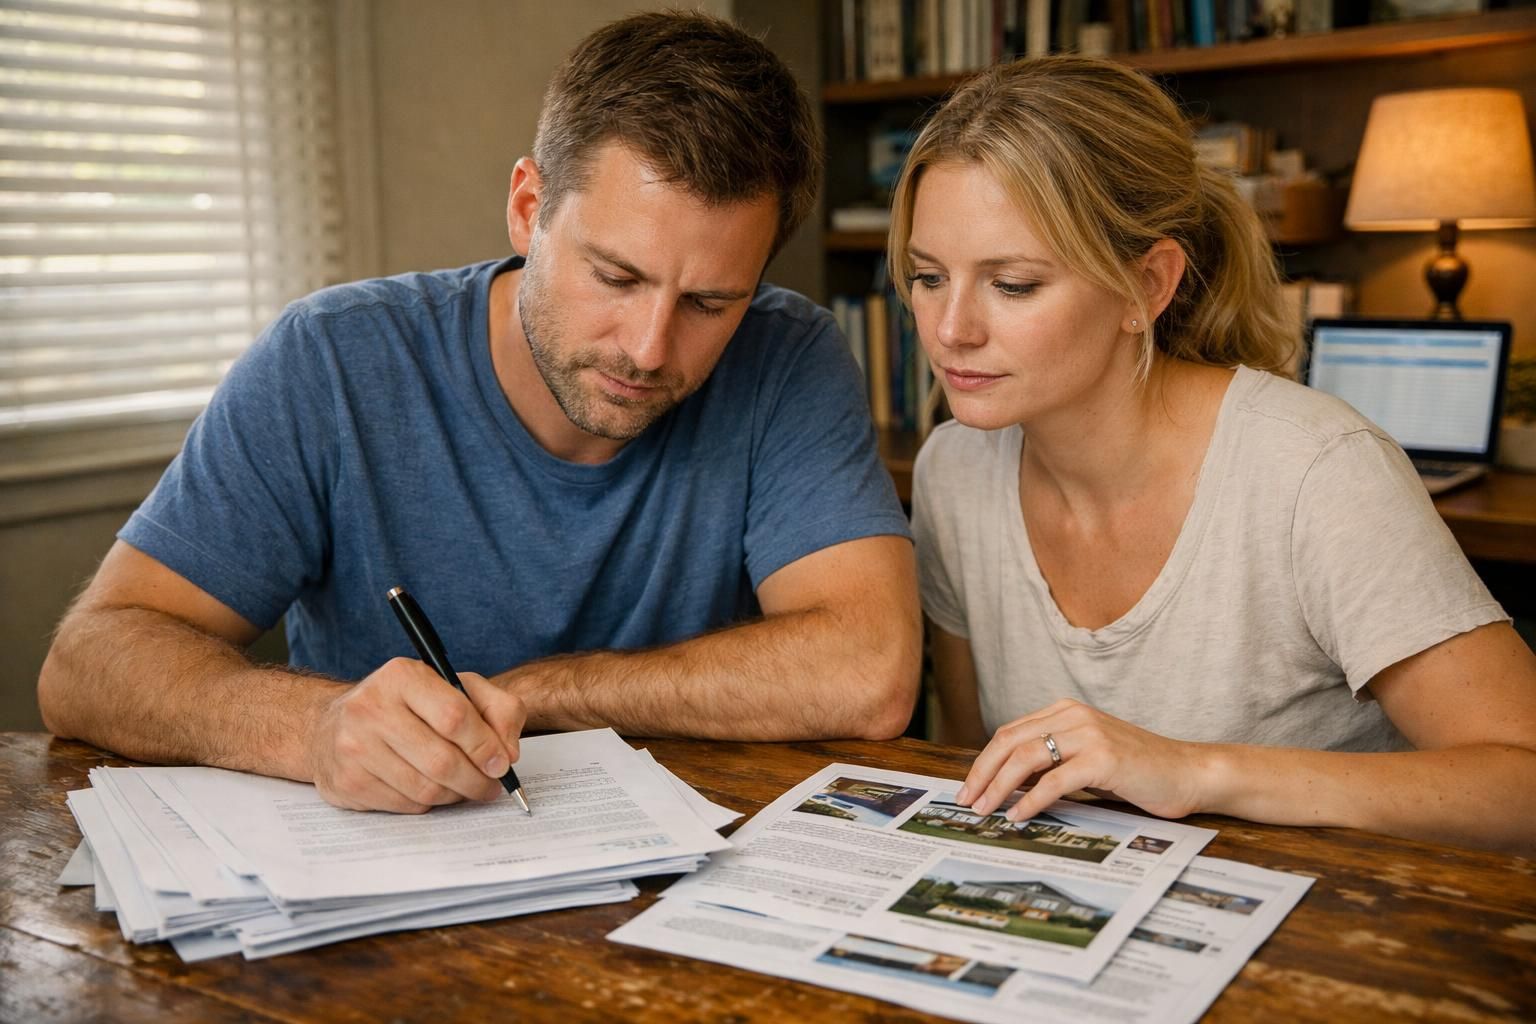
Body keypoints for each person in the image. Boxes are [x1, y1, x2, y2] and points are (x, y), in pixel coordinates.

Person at [38, 12, 920, 815]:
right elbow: (89, 664)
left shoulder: (787, 354)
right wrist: (314, 725)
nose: (649, 348)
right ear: (529, 208)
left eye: (710, 303)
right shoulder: (334, 358)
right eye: (615, 277)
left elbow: (868, 669)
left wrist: (534, 694)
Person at [897, 56, 1536, 853]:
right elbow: (972, 764)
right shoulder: (953, 470)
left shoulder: (1317, 469)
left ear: (1147, 287)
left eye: (1014, 284)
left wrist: (1196, 771)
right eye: (927, 277)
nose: (950, 328)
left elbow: (1523, 783)